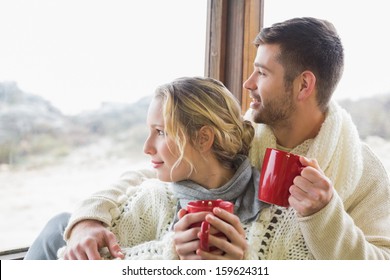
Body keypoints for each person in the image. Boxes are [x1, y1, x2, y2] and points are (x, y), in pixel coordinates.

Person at [25, 17, 390, 260]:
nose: (247, 84)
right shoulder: (247, 135)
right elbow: (153, 173)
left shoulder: (360, 170)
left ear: (304, 85)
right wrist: (88, 219)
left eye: (261, 73)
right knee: (60, 225)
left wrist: (325, 215)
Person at [54, 76, 267, 259]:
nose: (146, 148)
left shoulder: (271, 210)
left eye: (161, 132)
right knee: (57, 226)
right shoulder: (149, 200)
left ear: (203, 138)